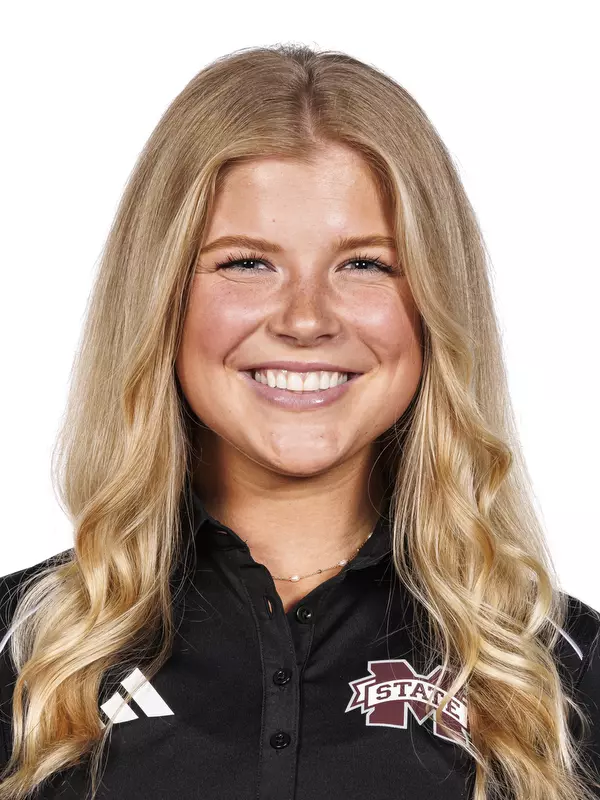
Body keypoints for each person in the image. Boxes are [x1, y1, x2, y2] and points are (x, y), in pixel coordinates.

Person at [1, 43, 599, 800]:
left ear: (436, 307)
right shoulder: (24, 655)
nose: (307, 319)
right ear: (161, 298)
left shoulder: (558, 673)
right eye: (248, 262)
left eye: (366, 264)